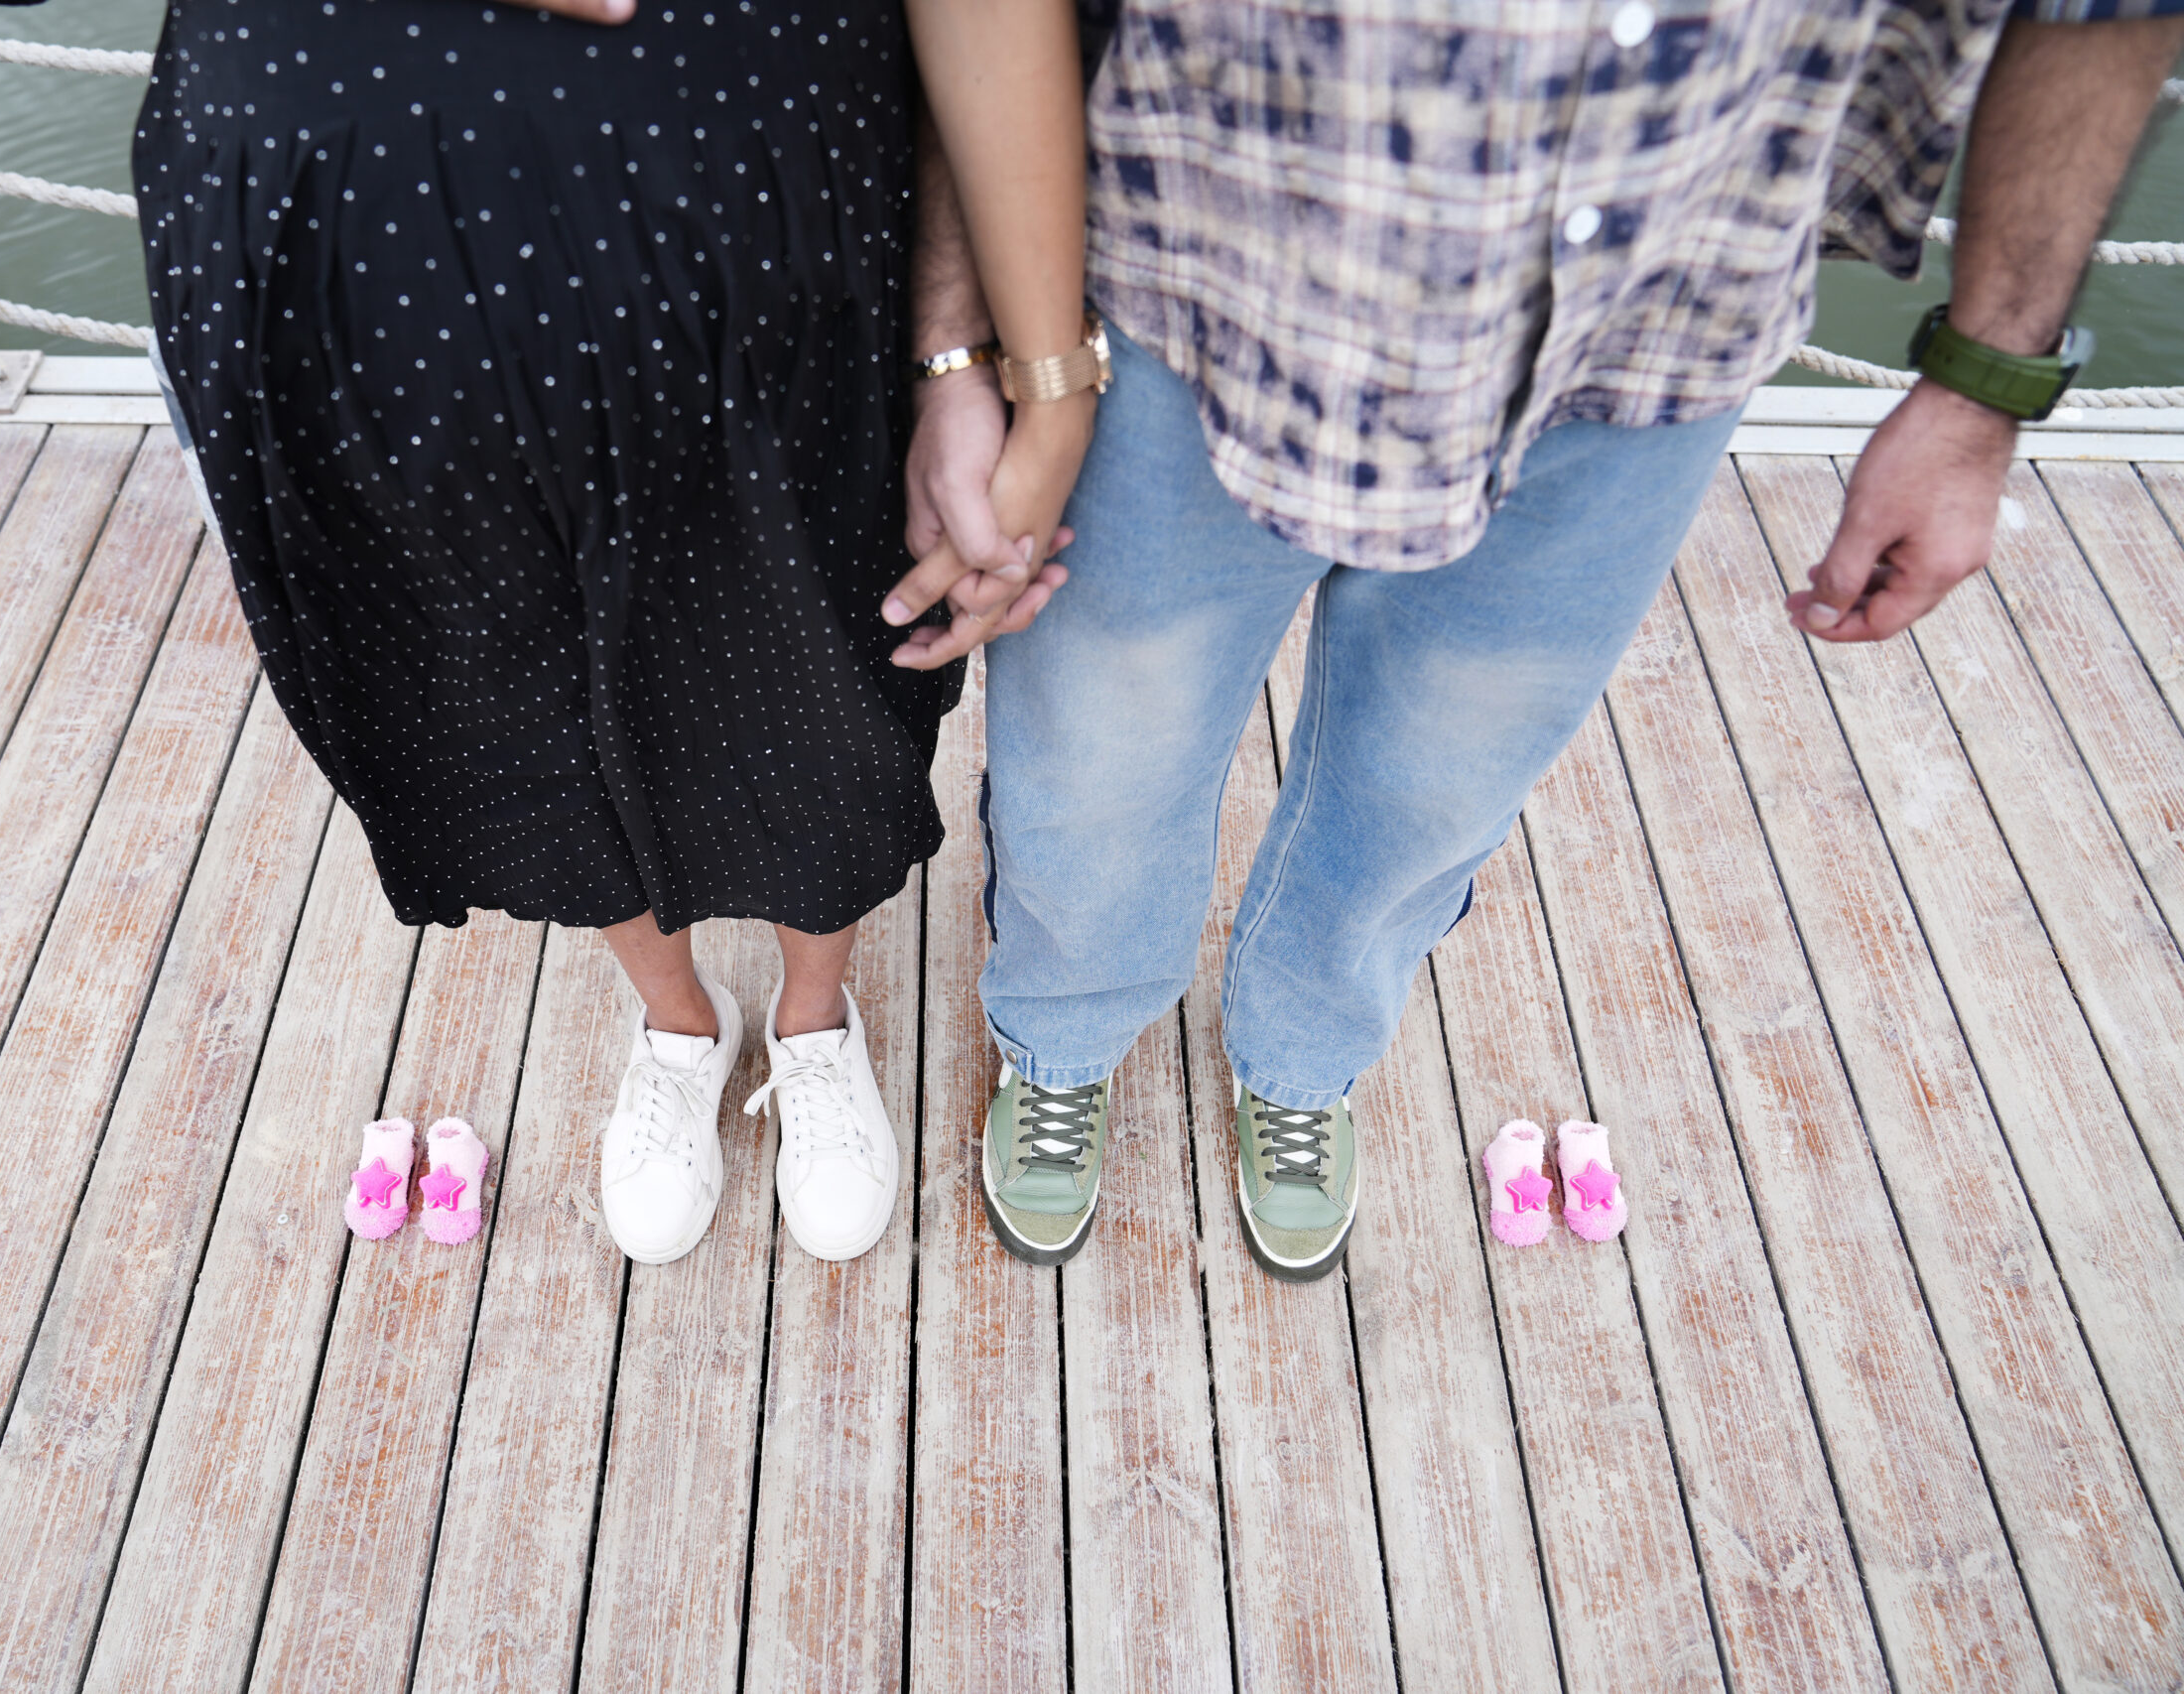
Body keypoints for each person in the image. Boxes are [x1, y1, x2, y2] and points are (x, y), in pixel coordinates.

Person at [880, 0, 2184, 1279]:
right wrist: (963, 348)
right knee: (1100, 757)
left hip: (1655, 331)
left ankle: (1303, 1053)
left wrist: (1982, 388)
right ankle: (1062, 1035)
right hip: (1192, 286)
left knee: (1434, 784)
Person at [129, 0, 1092, 1266]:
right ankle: (679, 1025)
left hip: (769, 189)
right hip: (346, 227)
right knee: (514, 700)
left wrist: (972, 353)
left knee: (820, 687)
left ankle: (813, 1022)